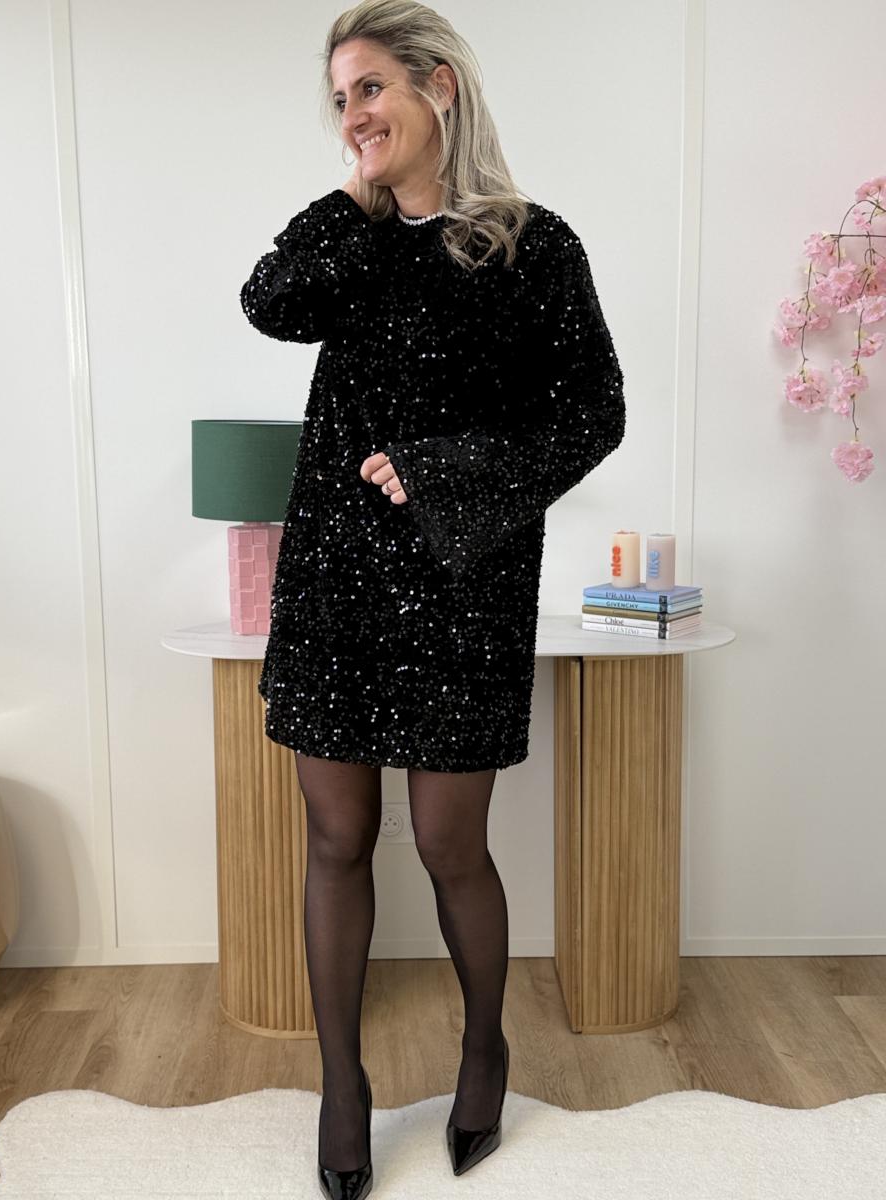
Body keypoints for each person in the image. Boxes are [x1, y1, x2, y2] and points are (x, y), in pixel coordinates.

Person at [240, 1, 626, 1194]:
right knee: (336, 836)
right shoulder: (350, 244)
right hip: (336, 581)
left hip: (463, 584)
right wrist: (357, 194)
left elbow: (592, 413)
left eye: (371, 88)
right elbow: (268, 300)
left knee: (453, 845)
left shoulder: (530, 247)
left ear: (438, 85)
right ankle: (342, 1085)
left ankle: (485, 1046)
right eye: (340, 99)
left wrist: (448, 471)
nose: (353, 114)